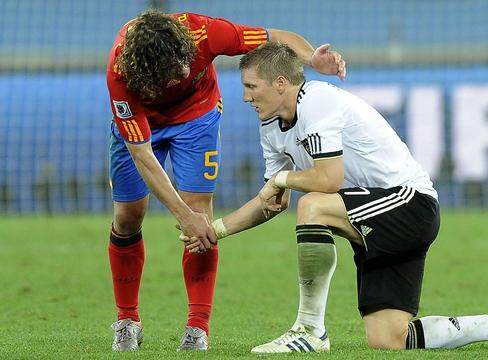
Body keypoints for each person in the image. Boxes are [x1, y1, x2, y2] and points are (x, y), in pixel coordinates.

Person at [182, 42, 488, 353]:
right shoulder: (271, 127)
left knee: (312, 203)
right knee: (389, 339)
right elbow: (271, 201)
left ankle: (309, 331)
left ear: (281, 83)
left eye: (251, 87)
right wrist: (215, 229)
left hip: (409, 204)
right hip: (373, 217)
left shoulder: (318, 102)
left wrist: (281, 178)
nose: (245, 97)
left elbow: (328, 180)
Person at [106, 9, 346, 352]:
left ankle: (197, 327)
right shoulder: (120, 75)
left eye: (185, 61)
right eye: (174, 73)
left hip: (196, 118)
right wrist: (180, 215)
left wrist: (312, 59)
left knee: (199, 216)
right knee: (128, 217)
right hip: (145, 127)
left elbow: (276, 37)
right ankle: (127, 319)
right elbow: (142, 155)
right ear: (148, 73)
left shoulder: (202, 31)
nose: (186, 71)